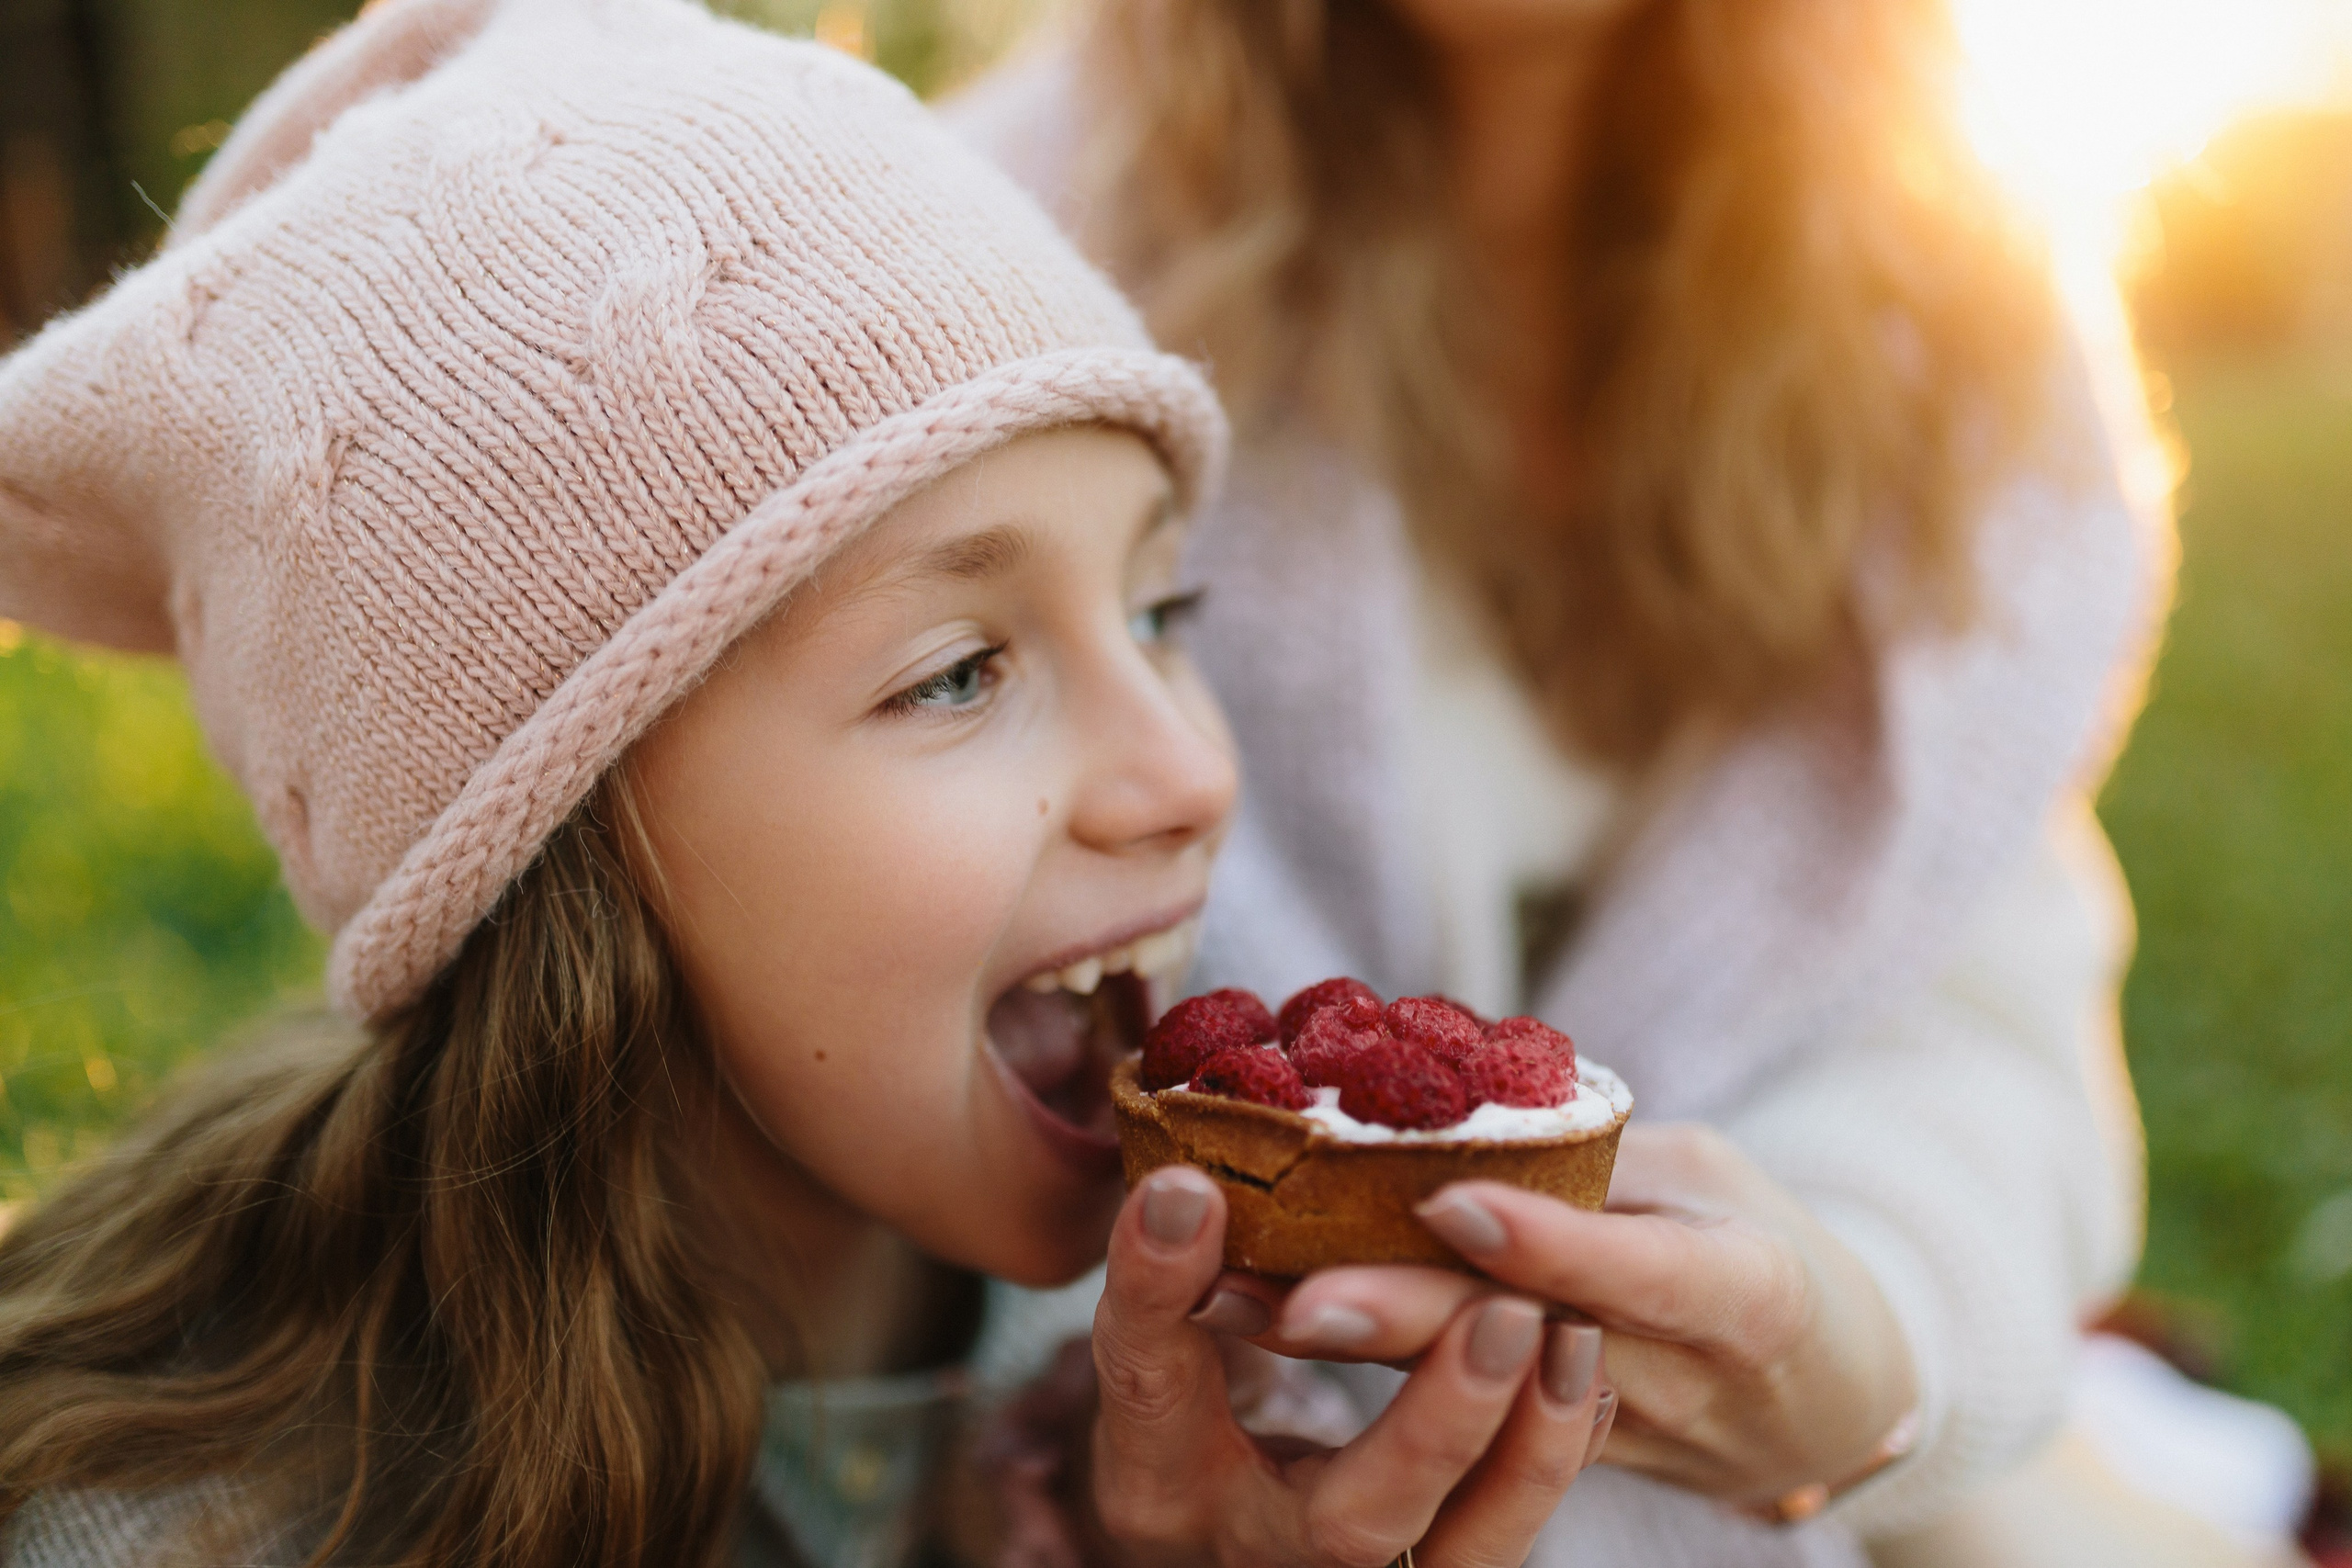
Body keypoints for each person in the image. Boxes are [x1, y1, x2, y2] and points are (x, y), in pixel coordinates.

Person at [0, 1, 1617, 1563]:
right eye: (957, 673)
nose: (1190, 769)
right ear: (553, 844)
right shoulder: (153, 1536)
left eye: (1158, 613)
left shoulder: (1191, 1390)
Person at [949, 0, 2177, 1562]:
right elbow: (911, 1010)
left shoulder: (1969, 330)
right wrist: (1088, 1393)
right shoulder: (989, 265)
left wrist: (1858, 1337)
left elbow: (1962, 988)